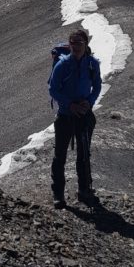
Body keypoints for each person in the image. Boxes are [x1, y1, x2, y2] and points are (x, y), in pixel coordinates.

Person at [48, 28, 101, 208]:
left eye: (79, 43)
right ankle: (58, 194)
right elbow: (53, 89)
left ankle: (84, 191)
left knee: (84, 155)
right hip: (65, 115)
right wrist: (70, 105)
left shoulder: (92, 64)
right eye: (72, 43)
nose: (76, 46)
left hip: (84, 115)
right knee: (60, 155)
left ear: (86, 44)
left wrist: (89, 102)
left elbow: (97, 86)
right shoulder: (62, 65)